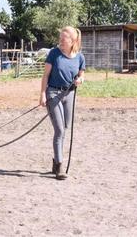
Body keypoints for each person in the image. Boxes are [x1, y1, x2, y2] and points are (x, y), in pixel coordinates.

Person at [39, 26, 85, 180]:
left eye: (63, 39)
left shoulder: (79, 57)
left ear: (73, 41)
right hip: (53, 93)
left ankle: (54, 161)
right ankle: (59, 166)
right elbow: (45, 75)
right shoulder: (54, 54)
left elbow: (81, 75)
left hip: (69, 94)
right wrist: (42, 94)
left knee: (65, 127)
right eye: (60, 38)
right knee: (59, 130)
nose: (60, 42)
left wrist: (80, 80)